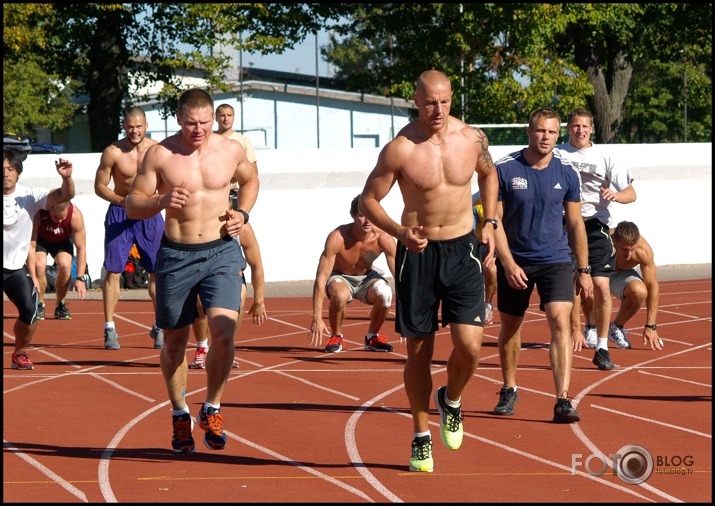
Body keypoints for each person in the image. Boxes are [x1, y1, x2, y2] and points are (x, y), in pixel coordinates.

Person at [359, 70, 499, 473]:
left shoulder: (473, 139)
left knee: (471, 346)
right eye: (429, 102)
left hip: (462, 250)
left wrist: (489, 221)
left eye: (444, 101)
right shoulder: (399, 149)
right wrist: (399, 232)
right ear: (416, 101)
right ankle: (421, 437)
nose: (437, 110)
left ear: (452, 99)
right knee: (418, 352)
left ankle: (451, 399)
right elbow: (369, 200)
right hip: (416, 254)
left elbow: (490, 176)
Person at [125, 88, 259, 454]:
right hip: (177, 255)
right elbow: (133, 204)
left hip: (221, 252)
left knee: (225, 333)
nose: (197, 130)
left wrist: (242, 214)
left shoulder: (231, 150)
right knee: (174, 342)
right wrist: (162, 200)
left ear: (213, 119)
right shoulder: (161, 154)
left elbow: (251, 180)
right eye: (190, 123)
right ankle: (180, 412)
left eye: (204, 123)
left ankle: (212, 407)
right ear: (179, 119)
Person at [491, 107, 593, 424]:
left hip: (555, 259)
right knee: (510, 328)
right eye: (540, 130)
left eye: (551, 131)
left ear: (557, 134)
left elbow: (575, 224)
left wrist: (585, 269)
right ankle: (509, 388)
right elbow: (493, 222)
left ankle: (562, 399)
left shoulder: (566, 172)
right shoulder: (505, 169)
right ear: (529, 131)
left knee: (560, 321)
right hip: (515, 260)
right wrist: (506, 263)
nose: (545, 136)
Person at [555, 107, 636, 371]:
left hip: (595, 226)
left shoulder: (605, 155)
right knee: (570, 285)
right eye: (575, 126)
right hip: (563, 225)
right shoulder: (557, 154)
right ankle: (574, 332)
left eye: (585, 126)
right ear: (568, 129)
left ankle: (601, 346)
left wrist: (616, 196)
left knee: (601, 286)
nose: (580, 130)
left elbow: (631, 192)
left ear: (592, 129)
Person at [94, 106, 165, 350]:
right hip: (120, 212)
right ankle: (109, 328)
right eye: (130, 126)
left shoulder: (158, 150)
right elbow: (100, 186)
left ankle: (160, 325)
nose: (134, 131)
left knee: (158, 271)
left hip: (149, 214)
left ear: (146, 126)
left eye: (138, 126)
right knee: (113, 271)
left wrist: (157, 201)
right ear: (124, 126)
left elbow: (168, 181)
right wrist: (122, 201)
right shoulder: (113, 152)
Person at [4, 150, 75, 370]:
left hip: (14, 267)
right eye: (2, 169)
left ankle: (20, 353)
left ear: (18, 174)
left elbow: (65, 195)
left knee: (30, 311)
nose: (5, 173)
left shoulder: (30, 196)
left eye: (10, 169)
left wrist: (66, 177)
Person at [308, 194, 397, 354]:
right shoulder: (338, 237)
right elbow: (321, 279)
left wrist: (408, 314)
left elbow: (400, 276)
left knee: (385, 293)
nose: (367, 221)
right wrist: (317, 317)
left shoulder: (383, 238)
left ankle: (372, 338)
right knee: (340, 295)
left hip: (367, 278)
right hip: (340, 276)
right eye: (362, 215)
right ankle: (336, 336)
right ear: (354, 215)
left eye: (371, 216)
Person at [189, 221, 267, 369]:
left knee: (239, 298)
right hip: (200, 269)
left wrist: (259, 301)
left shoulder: (242, 228)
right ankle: (202, 348)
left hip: (230, 273)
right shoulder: (200, 222)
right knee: (199, 302)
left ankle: (226, 347)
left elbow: (256, 265)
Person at [609, 221, 664, 350]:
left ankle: (616, 327)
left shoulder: (643, 251)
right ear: (615, 241)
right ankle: (587, 327)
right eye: (624, 249)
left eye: (632, 249)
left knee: (640, 291)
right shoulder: (603, 242)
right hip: (597, 272)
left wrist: (650, 326)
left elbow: (652, 285)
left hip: (619, 274)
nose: (628, 255)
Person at [31, 200, 88, 319]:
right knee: (39, 265)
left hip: (62, 240)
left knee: (65, 265)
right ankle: (40, 303)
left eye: (62, 218)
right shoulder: (39, 213)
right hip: (41, 239)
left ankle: (60, 304)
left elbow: (81, 248)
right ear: (49, 209)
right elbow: (31, 245)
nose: (59, 221)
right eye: (56, 217)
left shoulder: (75, 216)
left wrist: (80, 278)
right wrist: (32, 274)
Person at [473, 191, 497, 325]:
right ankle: (486, 305)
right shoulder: (476, 204)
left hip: (506, 243)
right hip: (484, 244)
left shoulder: (506, 200)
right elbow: (471, 228)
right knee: (490, 269)